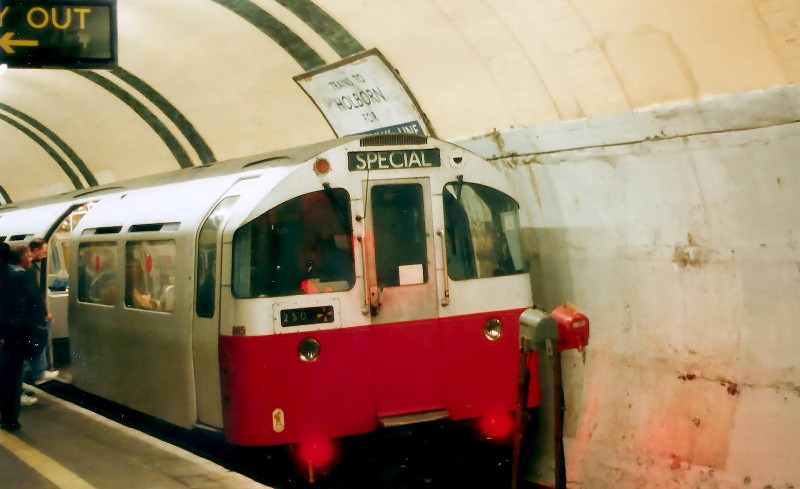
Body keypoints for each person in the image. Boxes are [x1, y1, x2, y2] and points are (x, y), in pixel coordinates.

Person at [0, 246, 40, 432]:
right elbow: (32, 306)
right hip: (13, 339)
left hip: (10, 338)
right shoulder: (19, 275)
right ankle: (10, 419)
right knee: (12, 380)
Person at [26, 238, 58, 386]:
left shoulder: (30, 268)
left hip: (29, 315)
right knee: (41, 338)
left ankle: (38, 370)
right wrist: (45, 314)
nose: (44, 255)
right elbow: (35, 296)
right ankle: (40, 372)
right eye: (44, 252)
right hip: (33, 316)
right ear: (36, 250)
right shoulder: (30, 269)